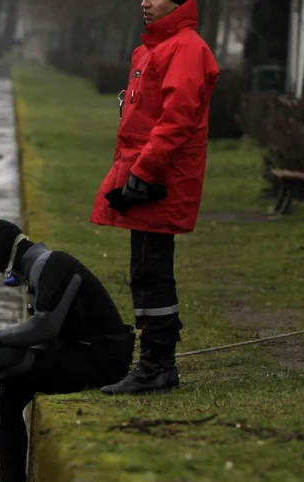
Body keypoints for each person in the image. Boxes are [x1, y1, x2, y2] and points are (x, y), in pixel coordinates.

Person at [0, 219, 135, 482]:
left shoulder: (53, 264)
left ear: (4, 255)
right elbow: (47, 339)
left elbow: (44, 328)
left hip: (103, 363)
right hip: (82, 355)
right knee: (2, 397)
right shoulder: (38, 269)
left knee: (4, 359)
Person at [92, 0, 219, 395]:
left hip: (160, 178)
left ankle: (157, 365)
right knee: (145, 268)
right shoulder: (151, 49)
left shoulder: (186, 48)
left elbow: (177, 118)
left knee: (152, 270)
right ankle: (155, 362)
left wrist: (144, 172)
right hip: (146, 174)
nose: (145, 2)